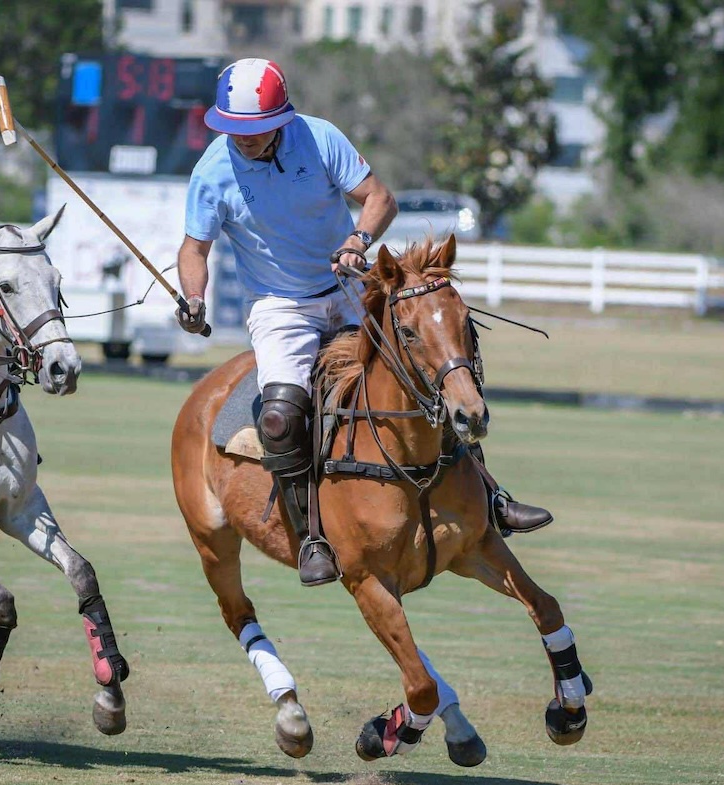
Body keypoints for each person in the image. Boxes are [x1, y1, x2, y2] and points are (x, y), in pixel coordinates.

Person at [175, 58, 551, 587]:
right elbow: (195, 248)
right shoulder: (212, 172)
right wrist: (194, 297)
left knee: (435, 369)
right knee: (282, 416)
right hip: (282, 307)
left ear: (280, 121)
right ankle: (312, 538)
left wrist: (357, 241)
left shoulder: (319, 138)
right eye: (233, 129)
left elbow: (379, 198)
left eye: (254, 130)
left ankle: (490, 497)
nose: (243, 140)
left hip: (353, 285)